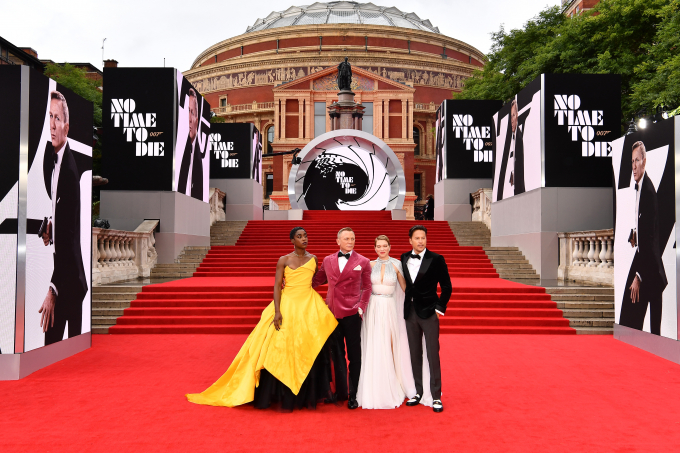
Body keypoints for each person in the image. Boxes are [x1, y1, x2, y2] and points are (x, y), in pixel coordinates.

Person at [186, 227, 338, 410]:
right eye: (299, 236)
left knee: (309, 345)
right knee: (279, 346)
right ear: (292, 241)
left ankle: (306, 393)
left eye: (305, 235)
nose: (304, 239)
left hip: (309, 306)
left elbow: (314, 280)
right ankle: (278, 391)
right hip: (287, 304)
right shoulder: (284, 260)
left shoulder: (313, 259)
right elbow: (276, 286)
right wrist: (277, 311)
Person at [39, 91, 88, 346]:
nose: (52, 124)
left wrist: (52, 290)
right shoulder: (51, 159)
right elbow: (61, 212)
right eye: (49, 117)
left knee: (59, 352)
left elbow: (68, 241)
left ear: (66, 127)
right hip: (66, 275)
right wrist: (51, 226)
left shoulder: (68, 172)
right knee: (58, 351)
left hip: (69, 281)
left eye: (57, 118)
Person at [312, 227, 372, 409]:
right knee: (336, 355)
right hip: (332, 313)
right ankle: (340, 392)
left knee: (354, 355)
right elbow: (317, 280)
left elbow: (367, 287)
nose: (350, 241)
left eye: (352, 238)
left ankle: (354, 394)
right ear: (337, 241)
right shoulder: (328, 260)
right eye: (346, 238)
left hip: (352, 314)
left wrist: (361, 307)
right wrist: (294, 281)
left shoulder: (363, 261)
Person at [356, 235, 414, 409]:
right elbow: (360, 287)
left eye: (384, 246)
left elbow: (405, 289)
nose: (382, 249)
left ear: (390, 246)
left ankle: (390, 381)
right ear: (374, 248)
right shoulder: (369, 265)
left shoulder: (397, 265)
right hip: (373, 307)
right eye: (378, 246)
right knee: (374, 343)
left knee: (388, 343)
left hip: (389, 306)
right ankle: (373, 384)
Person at [401, 225, 452, 413]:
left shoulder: (437, 259)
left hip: (429, 312)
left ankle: (436, 396)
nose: (420, 241)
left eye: (423, 238)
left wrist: (439, 308)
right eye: (417, 238)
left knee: (432, 354)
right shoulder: (404, 257)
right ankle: (418, 392)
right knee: (414, 354)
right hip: (410, 313)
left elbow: (447, 286)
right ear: (410, 241)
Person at [618, 141, 667, 335]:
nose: (633, 166)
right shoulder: (639, 187)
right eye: (631, 161)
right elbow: (645, 226)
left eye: (637, 161)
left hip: (650, 265)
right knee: (633, 317)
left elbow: (651, 238)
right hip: (645, 257)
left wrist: (639, 276)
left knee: (649, 324)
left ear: (644, 162)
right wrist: (634, 234)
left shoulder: (647, 192)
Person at [177, 88, 205, 200]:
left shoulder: (200, 159)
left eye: (192, 112)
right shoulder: (178, 154)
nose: (189, 118)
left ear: (196, 120)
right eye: (187, 111)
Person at [497, 99, 525, 200]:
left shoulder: (519, 136)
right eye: (511, 116)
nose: (512, 120)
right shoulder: (513, 137)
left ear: (517, 115)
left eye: (513, 115)